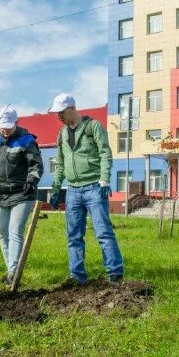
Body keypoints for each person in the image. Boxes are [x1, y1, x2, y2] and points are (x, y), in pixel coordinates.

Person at [47, 94, 124, 285]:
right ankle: (77, 276)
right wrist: (56, 188)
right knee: (73, 236)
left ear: (72, 108)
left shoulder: (93, 127)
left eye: (61, 112)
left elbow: (105, 153)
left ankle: (114, 273)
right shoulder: (62, 134)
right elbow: (61, 163)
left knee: (103, 232)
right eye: (57, 113)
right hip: (72, 190)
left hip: (94, 188)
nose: (59, 117)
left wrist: (105, 180)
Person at [0, 106, 44, 285]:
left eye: (8, 126)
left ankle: (14, 272)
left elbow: (36, 165)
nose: (4, 130)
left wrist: (32, 180)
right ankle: (10, 270)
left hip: (22, 193)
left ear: (16, 123)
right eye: (1, 126)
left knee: (15, 231)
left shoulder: (26, 140)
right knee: (2, 233)